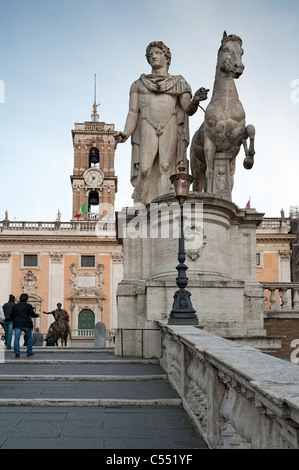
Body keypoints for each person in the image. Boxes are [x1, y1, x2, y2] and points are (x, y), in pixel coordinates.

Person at [115, 41, 209, 204]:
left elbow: (188, 109)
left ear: (166, 57)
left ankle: (163, 203)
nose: (153, 56)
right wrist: (126, 132)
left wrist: (195, 100)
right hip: (147, 124)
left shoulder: (179, 82)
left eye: (157, 52)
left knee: (166, 166)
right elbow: (132, 113)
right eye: (151, 54)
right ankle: (139, 201)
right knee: (144, 168)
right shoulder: (138, 85)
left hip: (169, 124)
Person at [10, 293, 40, 358]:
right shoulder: (29, 306)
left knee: (16, 339)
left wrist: (14, 319)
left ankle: (17, 353)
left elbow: (11, 315)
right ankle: (29, 351)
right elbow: (32, 314)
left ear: (20, 299)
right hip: (26, 323)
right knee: (29, 337)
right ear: (27, 299)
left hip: (17, 323)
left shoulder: (15, 306)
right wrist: (37, 315)